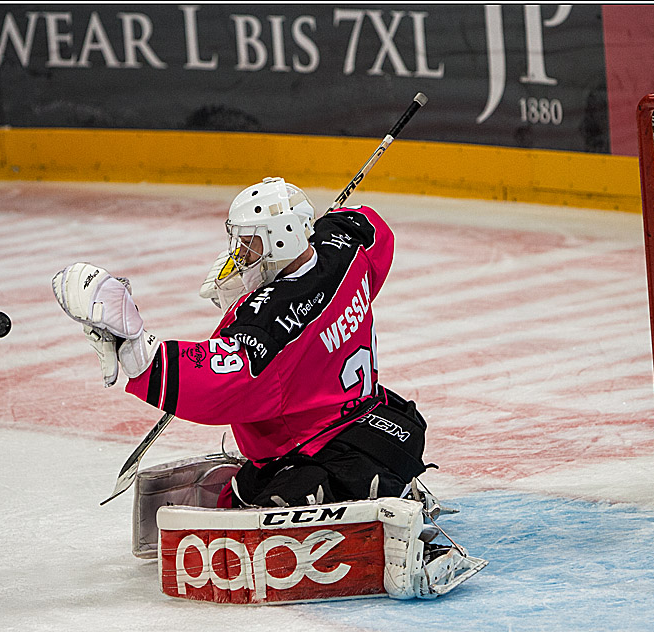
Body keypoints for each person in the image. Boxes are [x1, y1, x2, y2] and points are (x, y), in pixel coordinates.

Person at [53, 177, 429, 509]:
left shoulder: (269, 321)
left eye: (249, 244)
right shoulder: (347, 251)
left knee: (257, 499)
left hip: (321, 452)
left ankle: (363, 501)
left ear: (281, 238)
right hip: (386, 428)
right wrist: (321, 229)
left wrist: (135, 346)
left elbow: (220, 377)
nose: (239, 254)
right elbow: (369, 224)